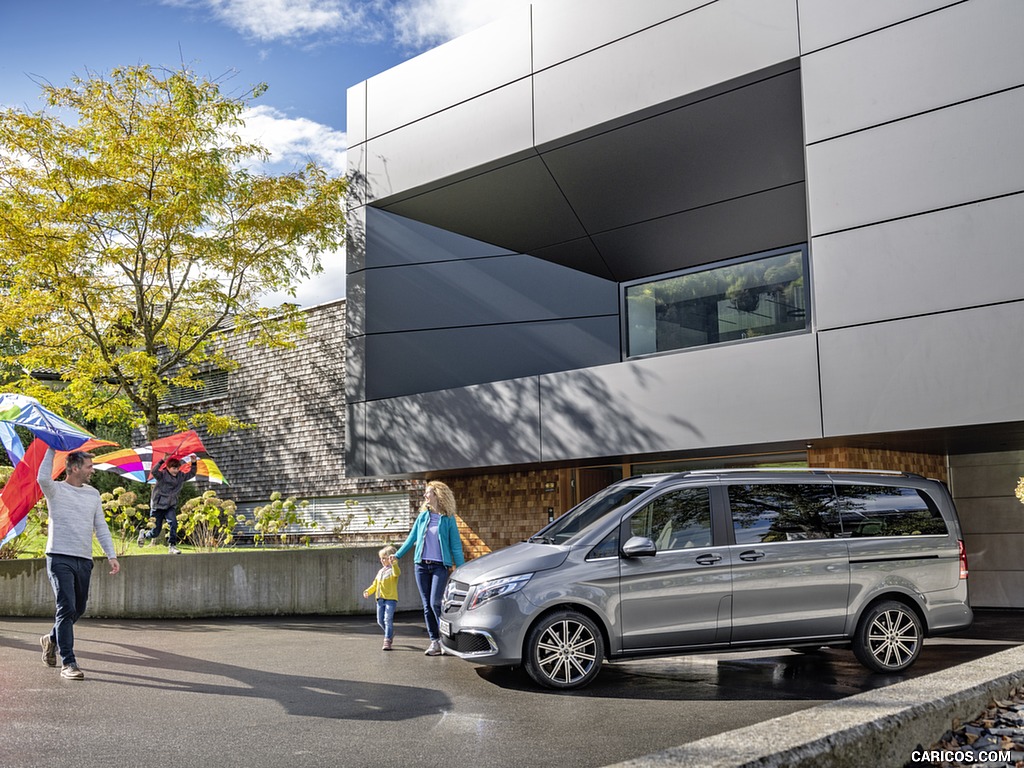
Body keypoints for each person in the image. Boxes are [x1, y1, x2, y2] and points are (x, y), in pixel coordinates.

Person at [37, 446, 120, 680]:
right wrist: (52, 448)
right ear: (74, 468)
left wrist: (111, 555)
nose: (92, 470)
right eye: (89, 466)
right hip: (59, 556)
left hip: (84, 559)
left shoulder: (92, 494)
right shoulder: (55, 490)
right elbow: (42, 477)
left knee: (79, 608)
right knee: (66, 607)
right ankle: (69, 663)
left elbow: (101, 527)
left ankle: (51, 639)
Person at [394, 481, 465, 656]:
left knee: (435, 603)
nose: (425, 496)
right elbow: (411, 539)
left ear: (437, 495)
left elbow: (455, 546)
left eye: (428, 493)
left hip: (440, 567)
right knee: (426, 605)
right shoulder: (423, 517)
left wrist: (462, 569)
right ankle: (435, 642)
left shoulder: (448, 519)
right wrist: (396, 556)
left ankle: (446, 639)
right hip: (421, 566)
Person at [138, 453, 197, 554]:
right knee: (155, 532)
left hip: (170, 506)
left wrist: (194, 462)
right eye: (173, 468)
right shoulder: (162, 475)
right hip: (158, 506)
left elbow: (191, 474)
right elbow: (154, 471)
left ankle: (172, 546)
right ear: (168, 468)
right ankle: (144, 535)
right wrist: (162, 460)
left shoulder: (181, 476)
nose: (175, 471)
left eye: (177, 468)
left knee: (173, 523)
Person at [363, 545, 400, 650]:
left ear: (390, 559)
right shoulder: (381, 571)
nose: (382, 560)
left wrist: (394, 563)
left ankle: (387, 640)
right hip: (380, 599)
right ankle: (390, 632)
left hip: (390, 599)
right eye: (381, 558)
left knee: (388, 619)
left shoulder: (393, 570)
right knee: (380, 620)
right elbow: (374, 584)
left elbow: (397, 573)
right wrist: (367, 591)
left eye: (384, 558)